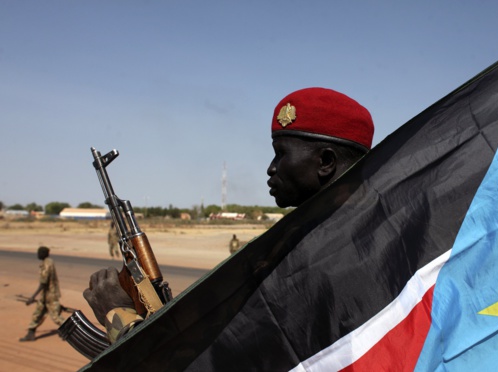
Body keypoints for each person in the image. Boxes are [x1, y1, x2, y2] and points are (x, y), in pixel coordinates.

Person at [83, 87, 375, 344]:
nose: (271, 168)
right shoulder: (370, 235)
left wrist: (119, 318)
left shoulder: (308, 264)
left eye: (280, 153)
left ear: (325, 162)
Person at [19, 246, 65, 342]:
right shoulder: (50, 262)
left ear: (43, 254)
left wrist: (32, 297)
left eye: (39, 253)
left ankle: (70, 332)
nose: (38, 255)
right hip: (48, 294)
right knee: (38, 314)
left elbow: (43, 283)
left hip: (49, 295)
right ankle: (30, 333)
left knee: (56, 316)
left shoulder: (46, 264)